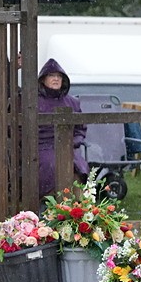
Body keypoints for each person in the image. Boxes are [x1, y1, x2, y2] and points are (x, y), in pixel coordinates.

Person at [36, 58, 89, 204]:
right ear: (43, 80)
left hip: (68, 146)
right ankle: (51, 204)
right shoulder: (31, 102)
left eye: (59, 76)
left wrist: (74, 142)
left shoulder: (72, 102)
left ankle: (76, 209)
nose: (56, 79)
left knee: (78, 167)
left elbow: (80, 128)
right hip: (42, 146)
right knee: (52, 165)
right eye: (52, 75)